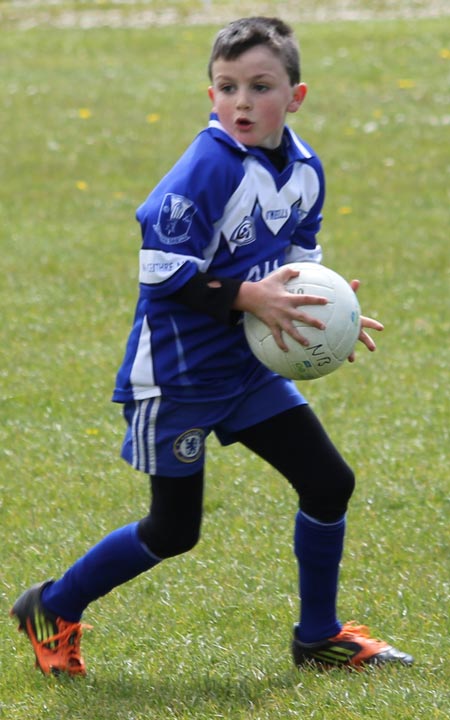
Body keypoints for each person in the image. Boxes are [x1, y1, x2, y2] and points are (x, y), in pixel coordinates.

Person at [10, 16, 413, 676]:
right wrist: (251, 299)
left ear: (296, 96)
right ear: (210, 97)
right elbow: (160, 271)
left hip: (247, 370)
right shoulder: (208, 166)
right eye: (226, 87)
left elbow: (299, 266)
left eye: (260, 86)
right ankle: (52, 606)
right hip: (178, 378)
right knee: (174, 531)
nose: (242, 103)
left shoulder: (304, 170)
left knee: (328, 481)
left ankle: (318, 638)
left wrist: (326, 321)